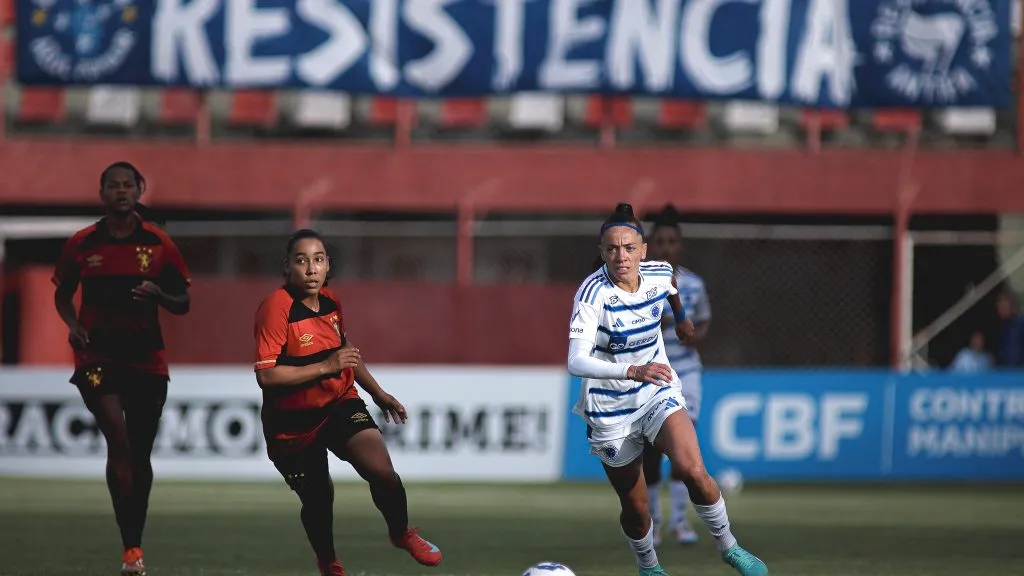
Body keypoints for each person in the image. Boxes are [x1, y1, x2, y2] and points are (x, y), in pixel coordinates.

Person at [566, 204, 767, 576]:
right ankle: (649, 567)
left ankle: (730, 547)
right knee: (636, 507)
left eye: (629, 248)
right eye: (612, 249)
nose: (621, 256)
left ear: (643, 250)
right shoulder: (592, 294)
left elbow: (670, 285)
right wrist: (633, 370)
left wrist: (682, 319)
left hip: (657, 390)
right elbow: (575, 361)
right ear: (602, 252)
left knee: (693, 469)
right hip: (610, 409)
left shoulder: (658, 272)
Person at [253, 229, 442, 576]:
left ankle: (401, 533)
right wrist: (326, 367)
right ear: (287, 266)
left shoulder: (331, 302)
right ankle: (328, 563)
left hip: (339, 402)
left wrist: (377, 393)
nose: (311, 268)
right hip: (291, 424)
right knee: (318, 498)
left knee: (382, 471)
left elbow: (345, 351)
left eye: (318, 259)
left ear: (328, 265)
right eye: (301, 260)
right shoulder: (276, 308)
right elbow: (267, 376)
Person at [52, 161, 192, 576]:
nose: (121, 191)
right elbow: (62, 293)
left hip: (147, 359)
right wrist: (72, 325)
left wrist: (160, 294)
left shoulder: (159, 243)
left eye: (128, 185)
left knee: (139, 451)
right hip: (97, 357)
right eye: (113, 185)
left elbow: (183, 302)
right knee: (119, 438)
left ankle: (134, 540)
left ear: (138, 190)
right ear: (102, 194)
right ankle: (130, 548)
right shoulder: (82, 243)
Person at [641, 206, 712, 546]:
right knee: (653, 450)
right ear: (650, 245)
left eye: (672, 241)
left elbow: (704, 321)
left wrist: (692, 334)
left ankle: (681, 521)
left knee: (684, 449)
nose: (666, 247)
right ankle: (654, 523)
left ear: (679, 245)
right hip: (651, 372)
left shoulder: (694, 284)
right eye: (660, 241)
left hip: (686, 370)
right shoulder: (637, 284)